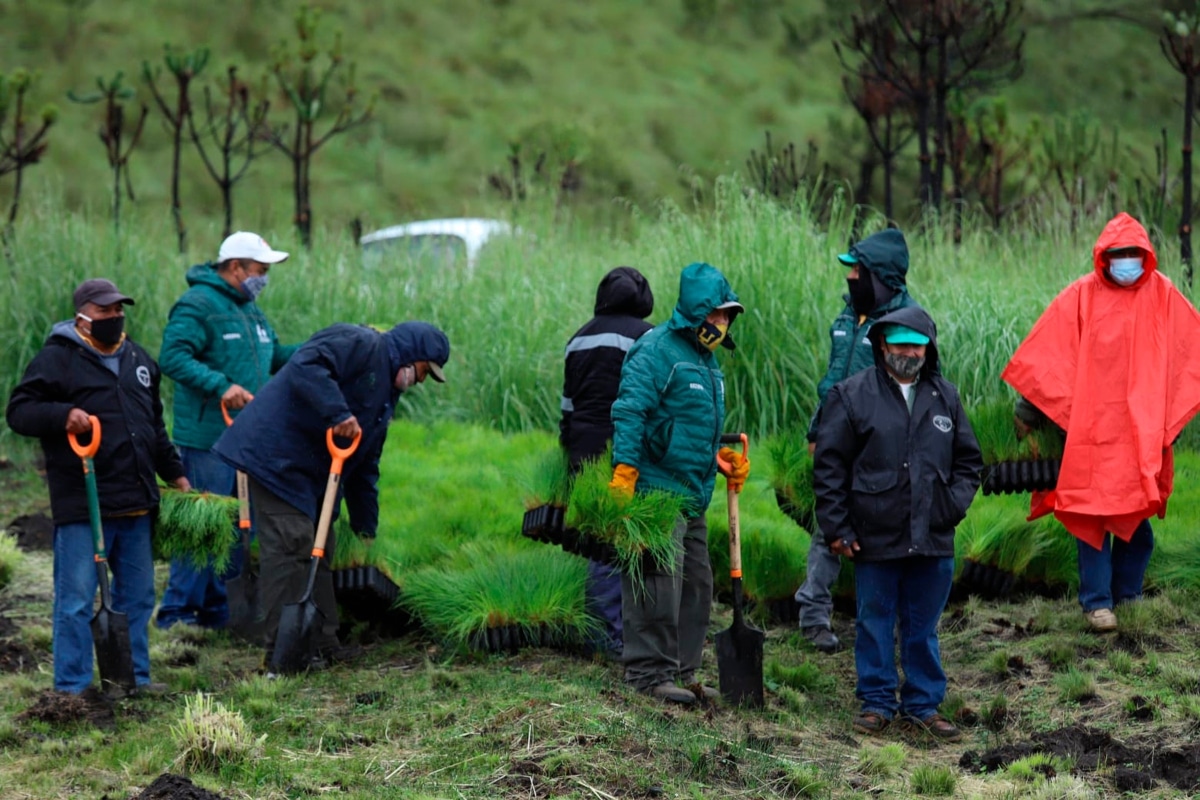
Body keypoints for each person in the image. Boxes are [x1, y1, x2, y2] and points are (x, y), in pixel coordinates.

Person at [1002, 212, 1200, 632]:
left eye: (1132, 253)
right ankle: (1097, 604)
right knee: (1092, 521)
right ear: (1103, 256)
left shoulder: (1163, 296)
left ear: (1145, 255)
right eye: (1118, 254)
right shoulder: (1081, 296)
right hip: (1091, 436)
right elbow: (1050, 356)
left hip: (1138, 436)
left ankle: (1126, 596)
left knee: (1136, 523)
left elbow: (1189, 355)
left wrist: (1171, 423)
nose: (1125, 260)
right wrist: (1026, 411)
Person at [212, 321, 449, 669]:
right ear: (412, 356)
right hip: (275, 457)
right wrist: (337, 413)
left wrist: (366, 527)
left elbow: (366, 465)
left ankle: (323, 643)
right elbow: (307, 363)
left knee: (322, 548)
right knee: (292, 541)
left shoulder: (385, 399)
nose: (423, 381)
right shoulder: (360, 342)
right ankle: (283, 654)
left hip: (312, 474)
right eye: (425, 372)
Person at [6, 279, 191, 695]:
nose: (114, 317)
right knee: (74, 602)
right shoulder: (57, 360)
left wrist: (175, 472)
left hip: (136, 502)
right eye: (105, 311)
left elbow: (154, 428)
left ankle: (133, 679)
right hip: (83, 504)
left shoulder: (139, 360)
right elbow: (19, 412)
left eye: (118, 310)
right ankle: (71, 688)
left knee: (138, 598)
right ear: (82, 317)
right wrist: (63, 414)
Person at [813, 306, 982, 740]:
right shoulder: (851, 396)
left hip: (933, 535)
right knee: (874, 620)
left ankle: (923, 704)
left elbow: (969, 463)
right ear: (882, 345)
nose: (908, 352)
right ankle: (877, 702)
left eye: (916, 344)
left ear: (928, 348)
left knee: (923, 625)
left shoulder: (946, 397)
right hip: (874, 535)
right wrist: (838, 527)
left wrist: (950, 506)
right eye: (900, 343)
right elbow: (830, 467)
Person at [609, 262, 750, 704]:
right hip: (655, 491)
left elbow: (686, 425)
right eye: (717, 314)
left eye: (728, 316)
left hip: (692, 494)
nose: (722, 324)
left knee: (696, 586)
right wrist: (625, 473)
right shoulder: (656, 350)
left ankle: (683, 672)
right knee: (656, 584)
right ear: (696, 311)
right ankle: (648, 676)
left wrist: (717, 459)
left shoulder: (708, 363)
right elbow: (631, 412)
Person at [156, 231, 298, 631]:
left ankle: (218, 612)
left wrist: (322, 347)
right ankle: (177, 615)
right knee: (204, 527)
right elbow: (172, 357)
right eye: (260, 270)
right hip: (207, 439)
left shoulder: (250, 311)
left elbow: (275, 356)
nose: (264, 278)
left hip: (245, 439)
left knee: (237, 527)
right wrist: (222, 386)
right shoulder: (198, 304)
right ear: (235, 267)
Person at [798, 228, 920, 653]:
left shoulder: (905, 324)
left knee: (886, 529)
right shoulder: (849, 316)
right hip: (837, 435)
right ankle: (813, 614)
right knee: (828, 524)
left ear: (881, 276)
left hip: (879, 443)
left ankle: (898, 625)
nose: (851, 280)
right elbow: (833, 379)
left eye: (858, 272)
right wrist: (818, 430)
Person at [561, 266, 655, 657]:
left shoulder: (577, 338)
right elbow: (649, 399)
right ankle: (612, 636)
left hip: (583, 448)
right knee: (623, 539)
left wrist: (567, 451)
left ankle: (600, 629)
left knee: (598, 542)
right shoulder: (647, 337)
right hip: (624, 449)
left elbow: (567, 405)